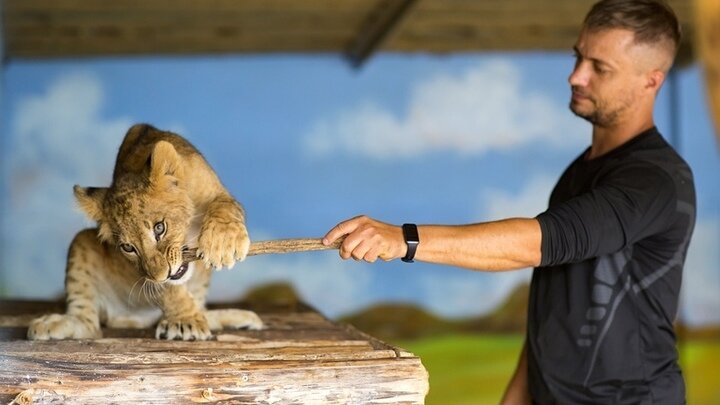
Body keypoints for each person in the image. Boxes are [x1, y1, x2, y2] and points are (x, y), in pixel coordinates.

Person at [322, 0, 695, 403]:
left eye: (599, 68)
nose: (575, 76)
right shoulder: (580, 172)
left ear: (651, 81)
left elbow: (541, 242)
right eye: (578, 57)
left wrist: (404, 239)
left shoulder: (656, 182)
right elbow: (551, 309)